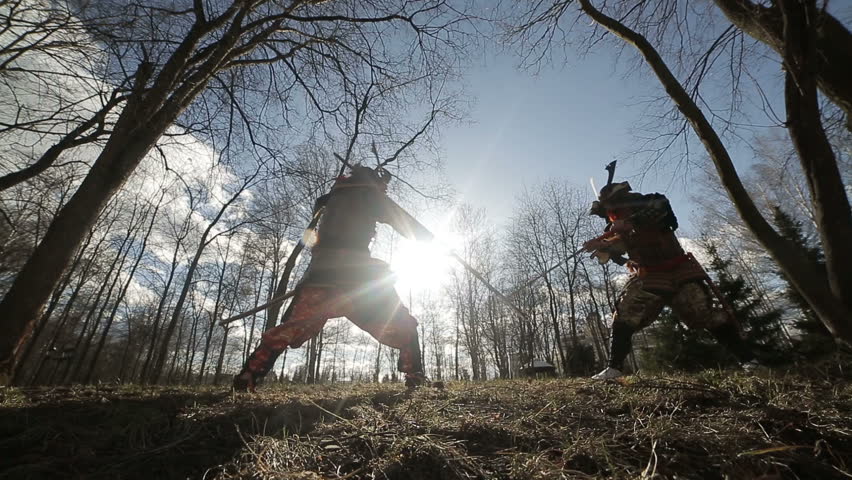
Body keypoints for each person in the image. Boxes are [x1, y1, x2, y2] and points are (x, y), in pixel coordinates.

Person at [233, 165, 432, 392]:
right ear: (374, 182)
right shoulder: (368, 194)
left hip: (320, 276)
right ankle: (415, 375)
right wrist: (431, 240)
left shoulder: (329, 200)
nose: (384, 190)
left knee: (291, 328)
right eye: (382, 185)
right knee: (402, 323)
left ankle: (248, 376)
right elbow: (401, 219)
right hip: (359, 279)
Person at [583, 179, 755, 380]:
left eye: (611, 208)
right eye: (608, 212)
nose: (611, 215)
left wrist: (627, 224)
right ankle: (614, 368)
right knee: (625, 313)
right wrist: (603, 247)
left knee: (703, 313)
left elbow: (660, 210)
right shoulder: (614, 231)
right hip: (649, 276)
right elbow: (619, 251)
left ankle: (748, 360)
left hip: (679, 270)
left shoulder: (650, 203)